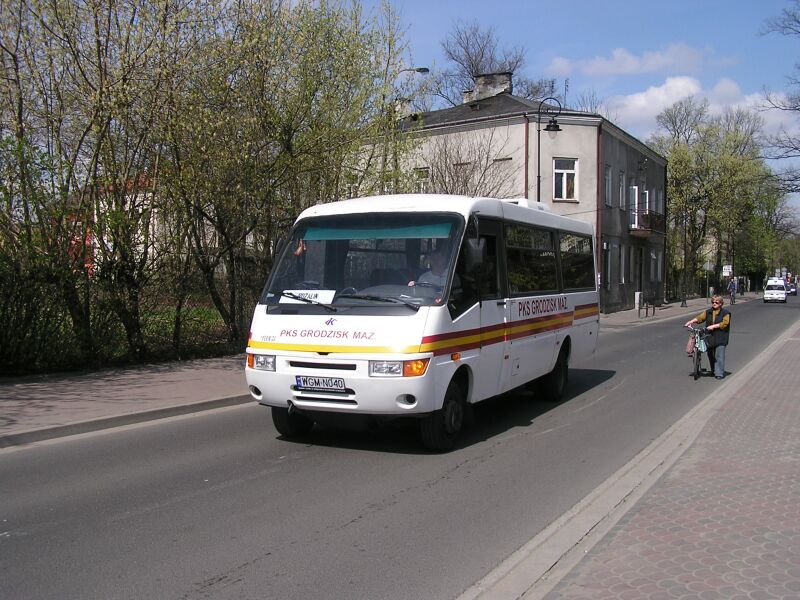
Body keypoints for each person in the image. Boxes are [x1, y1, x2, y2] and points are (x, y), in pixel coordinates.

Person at [684, 294, 731, 380]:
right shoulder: (708, 312)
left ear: (721, 303)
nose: (714, 304)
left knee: (719, 355)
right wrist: (690, 322)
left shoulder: (725, 313)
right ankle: (713, 370)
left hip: (721, 337)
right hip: (710, 336)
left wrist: (714, 326)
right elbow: (700, 318)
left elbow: (725, 323)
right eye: (713, 302)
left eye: (716, 302)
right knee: (710, 354)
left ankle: (719, 373)